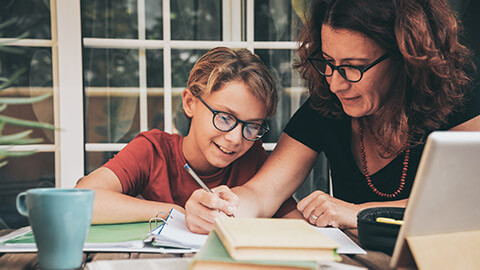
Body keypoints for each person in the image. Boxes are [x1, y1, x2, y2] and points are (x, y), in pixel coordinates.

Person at [185, 0, 480, 233]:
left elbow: (467, 203)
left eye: (354, 66)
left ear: (405, 55)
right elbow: (262, 193)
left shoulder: (458, 96)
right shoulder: (327, 105)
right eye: (327, 62)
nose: (335, 83)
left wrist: (357, 212)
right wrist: (224, 208)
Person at [76, 47, 300, 224]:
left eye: (252, 126)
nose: (235, 138)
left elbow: (297, 226)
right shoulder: (153, 151)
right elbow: (81, 200)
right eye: (224, 117)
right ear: (190, 103)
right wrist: (176, 213)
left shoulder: (254, 160)